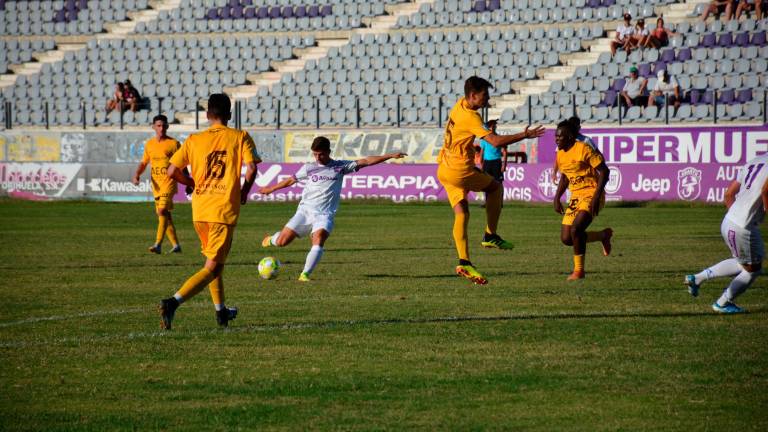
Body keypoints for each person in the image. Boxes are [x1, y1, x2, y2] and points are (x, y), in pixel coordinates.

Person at [158, 93, 261, 330]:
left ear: (207, 115)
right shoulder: (240, 136)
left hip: (200, 211)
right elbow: (252, 169)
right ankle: (172, 303)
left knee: (215, 263)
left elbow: (172, 171)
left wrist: (191, 183)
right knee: (212, 267)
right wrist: (244, 191)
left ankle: (221, 312)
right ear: (230, 115)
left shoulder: (194, 140)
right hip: (222, 210)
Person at [438, 76, 545, 285]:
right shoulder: (471, 117)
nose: (488, 99)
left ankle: (464, 262)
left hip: (444, 168)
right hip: (460, 170)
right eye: (484, 95)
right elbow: (494, 141)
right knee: (495, 188)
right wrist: (524, 135)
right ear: (472, 96)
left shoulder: (458, 105)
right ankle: (490, 235)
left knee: (462, 213)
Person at [259, 136, 406, 281]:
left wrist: (389, 155)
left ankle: (304, 275)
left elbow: (366, 161)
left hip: (324, 214)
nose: (318, 157)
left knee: (319, 238)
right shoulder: (309, 168)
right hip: (305, 212)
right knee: (282, 242)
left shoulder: (340, 167)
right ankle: (273, 239)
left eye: (321, 154)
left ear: (328, 151)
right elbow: (291, 180)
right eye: (315, 154)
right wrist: (271, 189)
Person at [685, 153, 768, 313]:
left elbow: (729, 194)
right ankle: (722, 303)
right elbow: (765, 191)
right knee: (753, 270)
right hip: (743, 226)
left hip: (729, 220)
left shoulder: (754, 161)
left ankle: (697, 278)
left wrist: (736, 219)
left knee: (741, 263)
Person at [553, 121, 612, 281]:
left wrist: (596, 197)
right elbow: (565, 176)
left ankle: (579, 271)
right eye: (556, 136)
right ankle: (603, 236)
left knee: (576, 229)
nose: (557, 139)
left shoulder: (583, 149)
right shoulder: (560, 153)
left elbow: (604, 171)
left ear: (570, 137)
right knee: (567, 239)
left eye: (560, 136)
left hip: (591, 193)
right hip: (575, 196)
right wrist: (557, 197)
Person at [132, 115, 184, 254]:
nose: (161, 128)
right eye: (158, 125)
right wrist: (137, 175)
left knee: (161, 211)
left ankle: (158, 244)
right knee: (164, 214)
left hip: (169, 182)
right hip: (156, 185)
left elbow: (182, 163)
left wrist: (187, 180)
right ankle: (176, 245)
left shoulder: (174, 144)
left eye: (163, 125)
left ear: (167, 126)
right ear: (153, 127)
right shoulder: (149, 144)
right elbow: (144, 163)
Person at [478, 120, 507, 185]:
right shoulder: (484, 139)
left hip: (496, 162)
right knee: (487, 183)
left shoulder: (499, 138)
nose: (492, 128)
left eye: (494, 126)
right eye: (491, 126)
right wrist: (481, 164)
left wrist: (504, 165)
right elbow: (482, 152)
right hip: (487, 163)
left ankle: (500, 195)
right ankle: (487, 195)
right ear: (489, 127)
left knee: (498, 182)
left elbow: (504, 151)